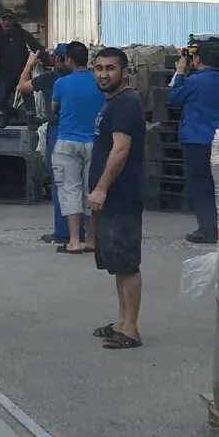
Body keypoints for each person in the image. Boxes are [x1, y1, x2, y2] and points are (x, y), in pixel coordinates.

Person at [89, 47, 147, 350]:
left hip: (122, 195)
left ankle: (132, 330)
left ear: (124, 72)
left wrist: (101, 188)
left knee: (127, 263)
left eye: (110, 68)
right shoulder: (113, 103)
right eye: (98, 68)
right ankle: (122, 321)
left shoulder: (125, 103)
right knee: (116, 263)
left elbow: (120, 149)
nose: (103, 74)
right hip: (113, 197)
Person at [49, 42, 103, 254]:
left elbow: (54, 109)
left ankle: (73, 241)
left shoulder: (62, 83)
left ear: (69, 59)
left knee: (70, 189)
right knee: (91, 191)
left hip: (67, 142)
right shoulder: (98, 81)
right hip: (95, 142)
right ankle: (90, 240)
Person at [171, 47, 219, 244]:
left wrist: (179, 74)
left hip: (195, 138)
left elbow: (174, 98)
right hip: (214, 136)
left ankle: (206, 230)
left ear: (197, 59)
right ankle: (218, 227)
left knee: (200, 186)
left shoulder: (194, 81)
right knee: (213, 185)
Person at [20, 44, 73, 244]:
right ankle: (84, 233)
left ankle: (63, 231)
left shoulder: (50, 79)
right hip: (86, 133)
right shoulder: (91, 79)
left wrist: (29, 64)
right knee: (82, 183)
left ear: (57, 60)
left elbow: (23, 86)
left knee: (60, 182)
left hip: (59, 131)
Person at [0, 10, 43, 127]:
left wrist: (46, 60)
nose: (6, 22)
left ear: (13, 21)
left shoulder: (21, 33)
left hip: (22, 73)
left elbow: (36, 47)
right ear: (0, 21)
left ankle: (31, 119)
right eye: (4, 20)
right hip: (5, 74)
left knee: (27, 95)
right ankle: (9, 113)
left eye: (9, 19)